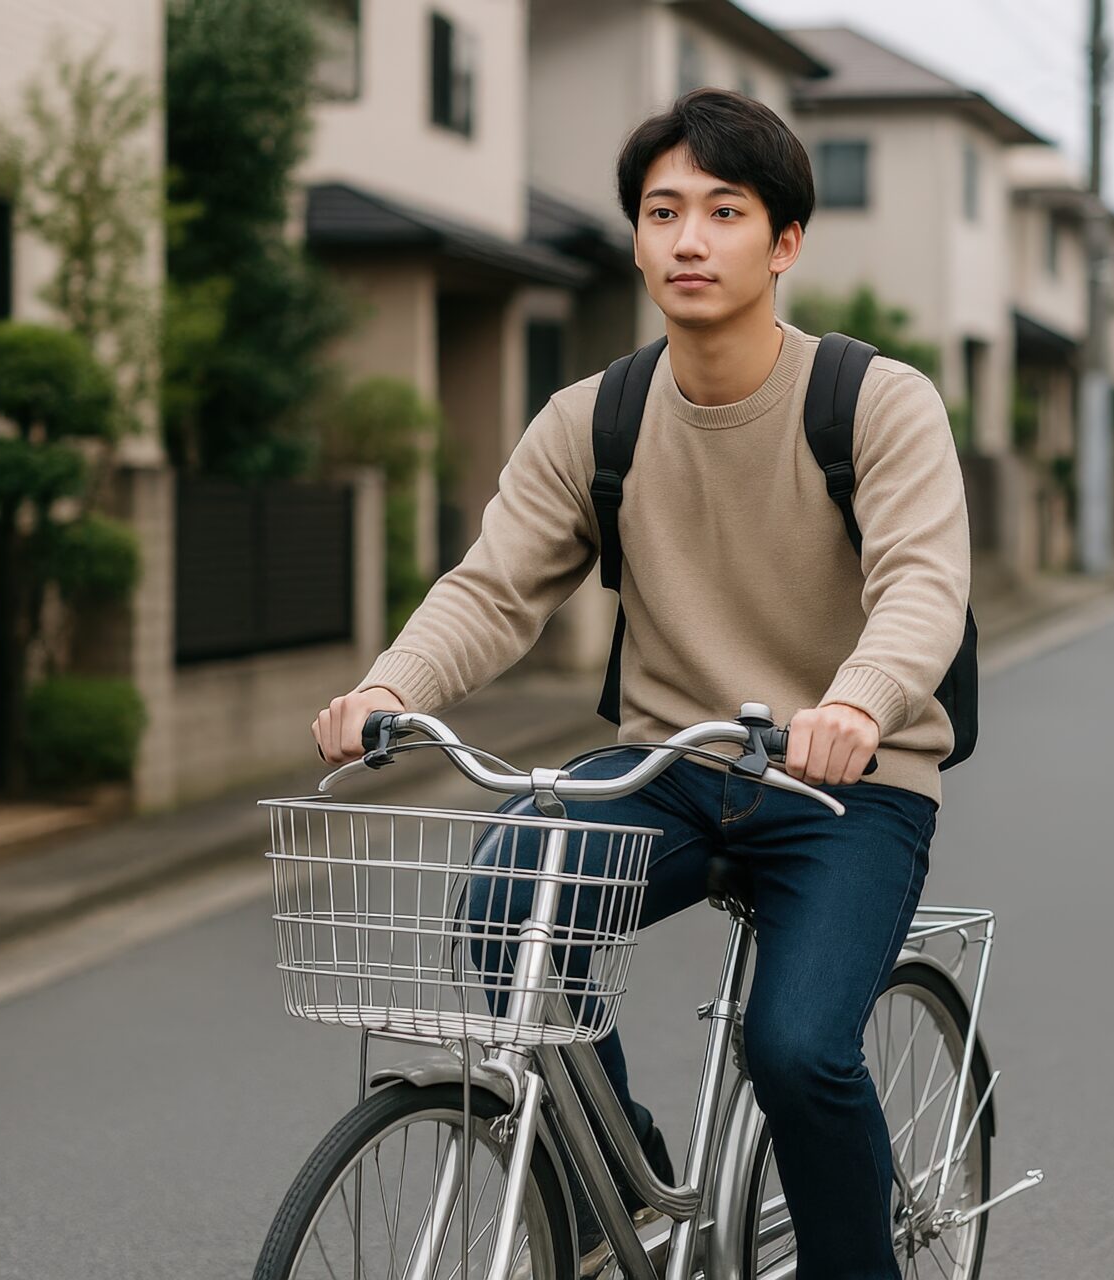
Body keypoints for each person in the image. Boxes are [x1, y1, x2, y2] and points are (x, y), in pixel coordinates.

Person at [312, 88, 970, 1278]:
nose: (689, 238)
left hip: (850, 785)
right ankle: (632, 1186)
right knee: (503, 906)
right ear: (635, 237)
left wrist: (860, 703)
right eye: (663, 211)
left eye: (725, 211)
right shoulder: (595, 418)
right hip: (670, 767)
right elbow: (494, 585)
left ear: (783, 244)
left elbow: (923, 586)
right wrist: (388, 686)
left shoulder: (876, 402)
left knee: (800, 1047)